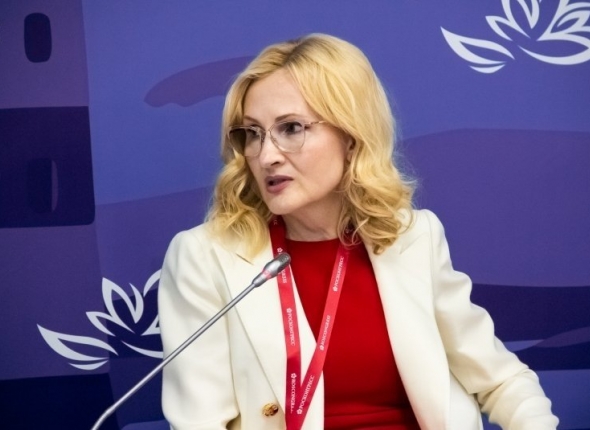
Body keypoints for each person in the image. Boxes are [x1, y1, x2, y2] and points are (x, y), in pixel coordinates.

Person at [158, 33, 558, 430]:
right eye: (253, 133)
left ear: (350, 138)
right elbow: (199, 422)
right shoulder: (203, 256)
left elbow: (502, 380)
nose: (266, 156)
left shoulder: (414, 237)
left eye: (291, 128)